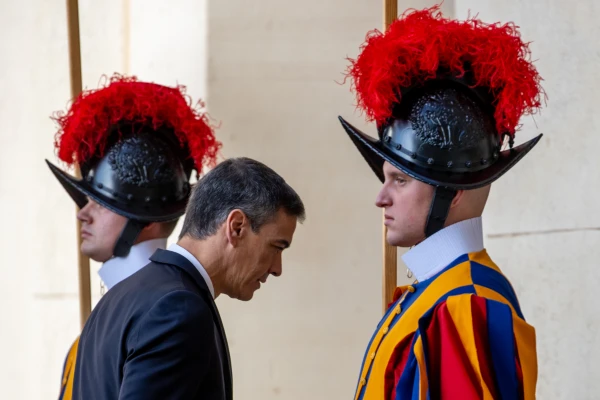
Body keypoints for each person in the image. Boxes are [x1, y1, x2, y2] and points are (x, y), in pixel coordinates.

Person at [338, 5, 545, 399]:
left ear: (454, 191)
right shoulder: (439, 294)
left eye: (399, 180)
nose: (381, 198)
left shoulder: (463, 304)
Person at [70, 157, 305, 400]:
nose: (277, 268)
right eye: (277, 247)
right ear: (236, 227)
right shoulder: (179, 309)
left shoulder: (115, 299)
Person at [46, 75, 220, 400]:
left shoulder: (168, 309)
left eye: (101, 202)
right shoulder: (88, 338)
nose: (83, 213)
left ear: (145, 217)